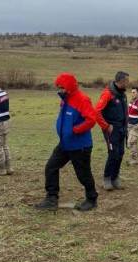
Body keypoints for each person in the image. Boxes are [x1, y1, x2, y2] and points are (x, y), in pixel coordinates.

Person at [34, 73, 98, 211]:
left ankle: (91, 199)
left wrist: (75, 130)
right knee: (51, 167)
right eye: (58, 87)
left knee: (83, 174)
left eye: (62, 87)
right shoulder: (64, 99)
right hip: (65, 143)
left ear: (69, 87)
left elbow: (91, 120)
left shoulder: (82, 99)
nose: (59, 89)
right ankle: (51, 198)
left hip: (80, 145)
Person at [95, 71, 129, 191]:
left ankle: (115, 178)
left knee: (120, 154)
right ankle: (107, 178)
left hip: (122, 129)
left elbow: (125, 111)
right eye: (127, 81)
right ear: (121, 82)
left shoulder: (123, 94)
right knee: (113, 154)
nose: (128, 83)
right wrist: (106, 126)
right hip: (111, 130)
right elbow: (96, 112)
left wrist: (126, 125)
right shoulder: (107, 94)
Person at [0, 78, 13, 176]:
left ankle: (1, 170)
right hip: (5, 122)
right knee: (4, 145)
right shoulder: (4, 94)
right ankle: (9, 168)